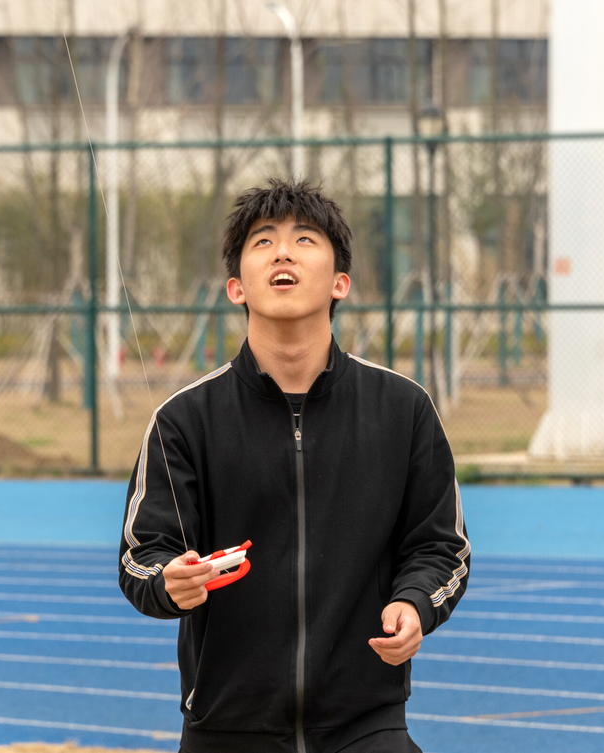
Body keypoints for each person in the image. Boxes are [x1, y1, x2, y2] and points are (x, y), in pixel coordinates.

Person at [119, 178, 470, 753]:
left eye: (305, 239)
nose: (282, 252)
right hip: (225, 728)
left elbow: (440, 547)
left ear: (340, 282)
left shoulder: (403, 409)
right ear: (236, 287)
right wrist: (167, 582)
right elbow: (142, 555)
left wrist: (413, 604)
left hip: (367, 725)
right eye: (263, 241)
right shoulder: (183, 420)